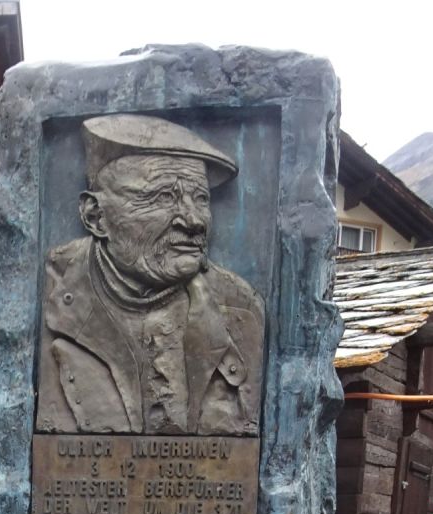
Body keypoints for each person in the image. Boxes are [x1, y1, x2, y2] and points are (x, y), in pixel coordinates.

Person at [36, 113, 264, 437]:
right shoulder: (46, 294)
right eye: (163, 197)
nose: (193, 221)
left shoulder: (241, 310)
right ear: (95, 216)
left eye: (201, 199)